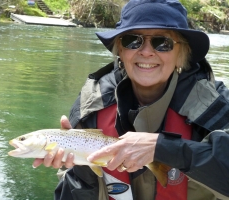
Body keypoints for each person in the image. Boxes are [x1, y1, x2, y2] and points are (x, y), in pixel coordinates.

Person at [33, 0, 229, 199]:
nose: (146, 51)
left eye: (162, 42)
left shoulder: (215, 104)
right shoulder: (92, 103)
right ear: (120, 49)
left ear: (181, 53)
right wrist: (81, 165)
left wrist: (164, 148)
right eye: (132, 41)